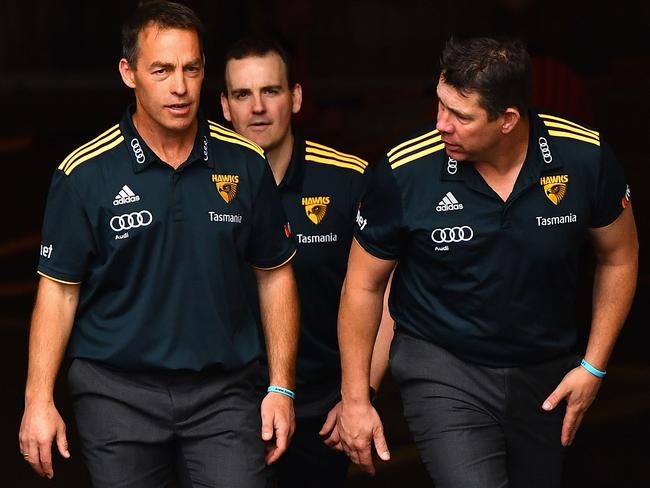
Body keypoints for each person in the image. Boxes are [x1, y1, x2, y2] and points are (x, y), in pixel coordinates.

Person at [335, 36, 638, 487]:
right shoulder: (404, 173)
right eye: (439, 105)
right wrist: (356, 400)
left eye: (460, 115)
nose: (441, 125)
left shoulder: (584, 158)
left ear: (508, 120)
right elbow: (363, 285)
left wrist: (593, 367)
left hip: (544, 375)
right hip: (443, 367)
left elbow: (619, 257)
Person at [18, 2, 299, 487]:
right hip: (116, 393)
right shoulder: (84, 173)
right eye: (162, 70)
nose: (180, 87)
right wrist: (37, 401)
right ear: (129, 73)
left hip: (225, 393)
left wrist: (281, 386)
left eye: (191, 69)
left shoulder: (246, 163)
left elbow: (275, 275)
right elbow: (58, 292)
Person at [220, 37, 394, 487]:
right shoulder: (199, 184)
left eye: (271, 91)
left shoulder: (347, 179)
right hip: (225, 407)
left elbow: (387, 291)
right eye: (242, 94)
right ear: (224, 106)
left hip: (320, 408)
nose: (257, 107)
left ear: (295, 98)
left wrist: (360, 395)